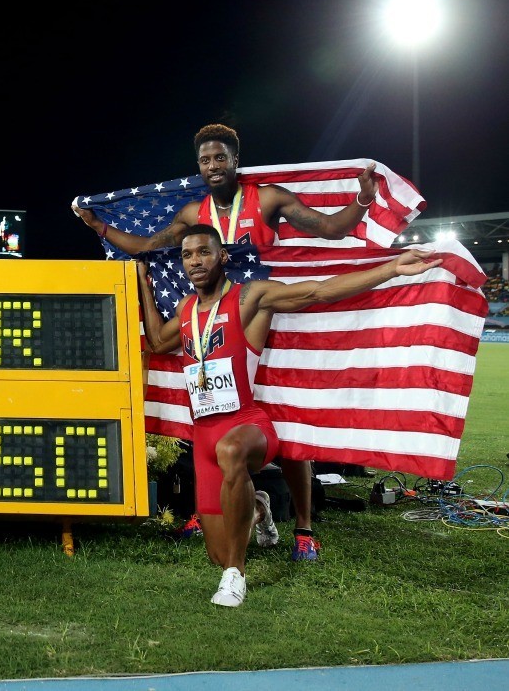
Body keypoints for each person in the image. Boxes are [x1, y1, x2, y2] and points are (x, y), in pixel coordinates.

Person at [72, 123, 381, 560]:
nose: (213, 166)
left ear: (236, 160)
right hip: (215, 322)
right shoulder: (192, 213)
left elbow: (331, 229)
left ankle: (304, 528)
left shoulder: (267, 199)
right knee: (213, 412)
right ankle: (228, 506)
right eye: (205, 160)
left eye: (220, 157)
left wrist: (363, 199)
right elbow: (145, 245)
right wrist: (99, 226)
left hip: (266, 316)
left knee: (287, 423)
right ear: (198, 166)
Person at [136, 223, 438, 606]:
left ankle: (235, 576)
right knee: (217, 551)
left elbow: (317, 291)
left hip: (246, 424)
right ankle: (258, 509)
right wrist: (144, 284)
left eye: (204, 252)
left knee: (231, 455)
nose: (195, 261)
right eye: (187, 255)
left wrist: (392, 268)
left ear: (222, 256)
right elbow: (158, 341)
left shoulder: (250, 297)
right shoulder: (186, 309)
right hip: (204, 437)